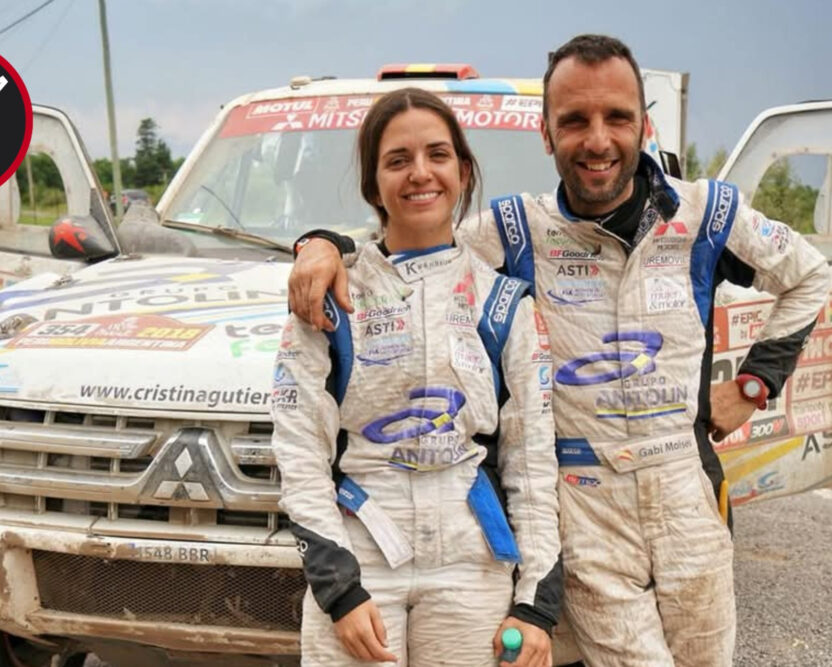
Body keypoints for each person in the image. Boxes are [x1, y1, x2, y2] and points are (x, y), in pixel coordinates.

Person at [287, 35, 832, 666]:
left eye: (617, 118)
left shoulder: (706, 214)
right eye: (574, 121)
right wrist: (321, 244)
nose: (597, 140)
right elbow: (410, 240)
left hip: (687, 491)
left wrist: (754, 385)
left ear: (645, 126)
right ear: (548, 135)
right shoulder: (516, 230)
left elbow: (812, 275)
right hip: (584, 499)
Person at [271, 87, 561, 666]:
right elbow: (300, 453)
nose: (419, 174)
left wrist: (534, 604)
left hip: (471, 559)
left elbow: (533, 463)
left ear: (463, 169)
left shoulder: (504, 303)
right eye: (397, 160)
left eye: (437, 155)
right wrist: (340, 590)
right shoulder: (328, 293)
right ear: (372, 186)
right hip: (363, 553)